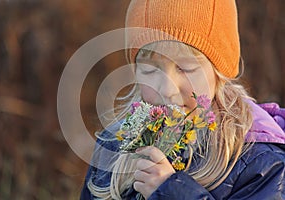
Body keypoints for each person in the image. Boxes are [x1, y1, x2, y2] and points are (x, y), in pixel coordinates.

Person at [80, 0, 285, 199]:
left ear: (219, 72)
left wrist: (173, 192)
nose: (168, 90)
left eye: (185, 68)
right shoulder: (114, 147)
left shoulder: (261, 164)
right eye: (150, 70)